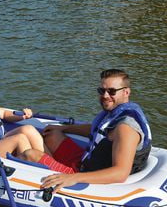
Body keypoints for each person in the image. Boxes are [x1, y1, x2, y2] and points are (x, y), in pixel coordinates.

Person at [23, 69, 152, 192]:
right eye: (102, 90)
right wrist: (64, 128)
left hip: (87, 174)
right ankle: (52, 162)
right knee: (52, 135)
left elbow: (120, 173)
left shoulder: (126, 128)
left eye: (112, 91)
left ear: (126, 92)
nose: (105, 95)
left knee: (29, 154)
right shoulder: (116, 113)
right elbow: (98, 130)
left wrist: (74, 178)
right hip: (86, 162)